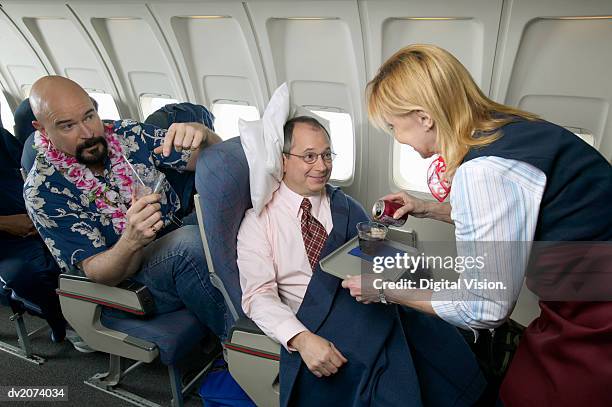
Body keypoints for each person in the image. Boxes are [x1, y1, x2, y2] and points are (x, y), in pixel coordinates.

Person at [342, 44, 612, 406]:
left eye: (394, 126)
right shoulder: (507, 128)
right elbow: (514, 215)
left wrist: (384, 290)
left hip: (598, 315)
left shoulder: (483, 171)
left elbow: (485, 307)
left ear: (424, 117)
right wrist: (426, 208)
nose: (397, 139)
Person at [237, 116, 485, 406]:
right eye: (309, 156)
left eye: (327, 154)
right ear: (283, 160)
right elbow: (258, 296)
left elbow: (374, 256)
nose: (322, 166)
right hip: (320, 318)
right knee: (393, 373)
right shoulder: (259, 222)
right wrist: (301, 339)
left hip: (371, 299)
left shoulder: (345, 206)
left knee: (437, 337)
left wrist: (396, 260)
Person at [23, 76, 227, 340]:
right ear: (41, 129)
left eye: (89, 116)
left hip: (172, 233)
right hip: (130, 283)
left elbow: (213, 160)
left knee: (225, 212)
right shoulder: (43, 191)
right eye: (67, 126)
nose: (88, 133)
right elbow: (97, 272)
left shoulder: (126, 135)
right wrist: (131, 240)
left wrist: (204, 134)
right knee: (188, 244)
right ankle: (236, 344)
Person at [0, 125, 67, 341]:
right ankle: (63, 323)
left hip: (26, 204)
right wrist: (5, 223)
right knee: (27, 272)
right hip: (5, 240)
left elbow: (23, 166)